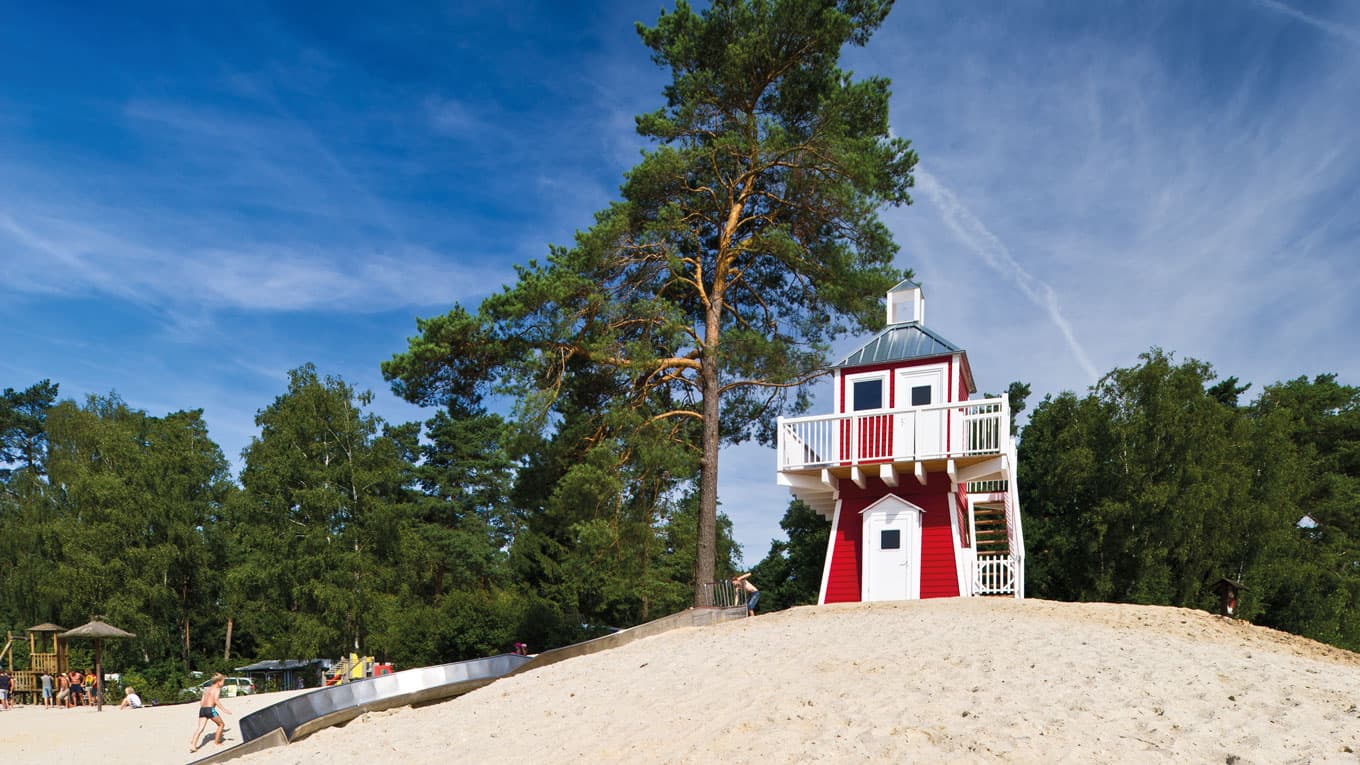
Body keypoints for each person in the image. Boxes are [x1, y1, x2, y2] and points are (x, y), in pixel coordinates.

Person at [189, 673, 232, 752]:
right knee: (221, 724)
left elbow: (201, 703)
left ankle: (193, 744)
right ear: (218, 682)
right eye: (223, 681)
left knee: (200, 728)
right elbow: (216, 700)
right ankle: (216, 742)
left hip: (202, 710)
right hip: (210, 710)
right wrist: (224, 710)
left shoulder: (206, 689)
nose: (223, 683)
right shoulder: (217, 689)